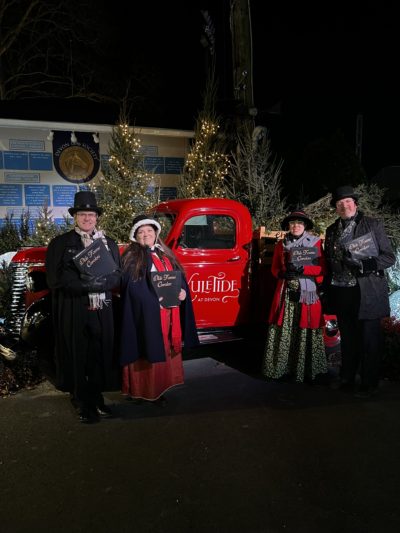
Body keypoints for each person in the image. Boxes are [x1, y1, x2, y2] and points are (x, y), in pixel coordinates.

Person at [46, 191, 121, 423]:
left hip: (102, 308)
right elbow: (54, 279)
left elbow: (117, 275)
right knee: (77, 353)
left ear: (96, 217)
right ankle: (81, 401)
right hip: (74, 307)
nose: (87, 218)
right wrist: (84, 285)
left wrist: (102, 283)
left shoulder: (108, 244)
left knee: (99, 353)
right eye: (82, 214)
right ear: (75, 217)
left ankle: (97, 398)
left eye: (91, 214)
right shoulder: (60, 244)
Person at [119, 215, 199, 406]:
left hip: (168, 314)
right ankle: (142, 391)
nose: (146, 234)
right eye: (141, 232)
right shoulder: (131, 258)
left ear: (156, 233)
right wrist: (153, 302)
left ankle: (159, 388)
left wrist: (182, 292)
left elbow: (178, 278)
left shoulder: (165, 254)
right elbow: (131, 289)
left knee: (163, 351)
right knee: (146, 351)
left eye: (149, 230)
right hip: (146, 315)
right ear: (135, 236)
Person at [324, 185, 395, 398]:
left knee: (369, 340)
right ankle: (347, 377)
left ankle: (368, 383)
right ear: (336, 208)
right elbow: (329, 261)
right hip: (342, 291)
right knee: (348, 338)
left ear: (355, 203)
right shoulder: (331, 230)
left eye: (347, 201)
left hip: (367, 291)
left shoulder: (372, 224)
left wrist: (364, 264)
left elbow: (388, 257)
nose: (344, 206)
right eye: (339, 203)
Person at [262, 210, 328, 383]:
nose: (296, 226)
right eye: (292, 223)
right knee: (285, 327)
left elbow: (322, 269)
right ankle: (282, 368)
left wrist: (304, 269)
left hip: (307, 294)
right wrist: (281, 274)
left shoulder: (315, 243)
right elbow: (275, 267)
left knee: (305, 326)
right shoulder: (281, 244)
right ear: (288, 226)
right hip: (286, 293)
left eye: (299, 223)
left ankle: (306, 371)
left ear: (305, 226)